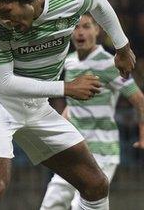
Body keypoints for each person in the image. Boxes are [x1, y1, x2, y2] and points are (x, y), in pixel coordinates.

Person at [0, 0, 136, 210]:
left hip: (35, 106)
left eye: (7, 11)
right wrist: (66, 88)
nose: (5, 20)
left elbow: (97, 0)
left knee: (95, 184)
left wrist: (122, 48)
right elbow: (5, 83)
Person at [40, 13, 144, 209]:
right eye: (76, 27)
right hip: (75, 150)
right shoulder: (69, 61)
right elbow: (73, 106)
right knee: (51, 204)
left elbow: (139, 100)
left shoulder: (109, 64)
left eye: (86, 26)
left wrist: (142, 131)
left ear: (97, 30)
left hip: (102, 152)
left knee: (82, 206)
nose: (80, 32)